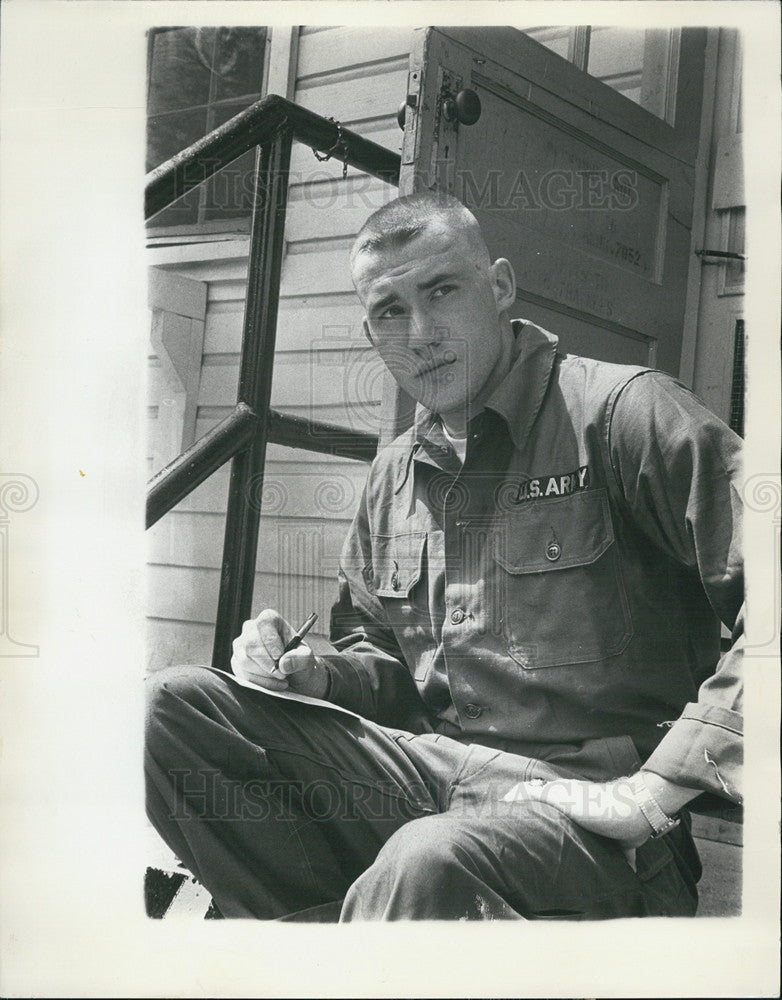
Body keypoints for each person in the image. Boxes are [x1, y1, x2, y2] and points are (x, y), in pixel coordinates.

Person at [145, 191, 743, 920]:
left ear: (499, 287)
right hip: (432, 776)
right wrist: (316, 676)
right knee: (170, 710)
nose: (420, 333)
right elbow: (391, 669)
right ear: (371, 333)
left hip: (595, 815)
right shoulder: (395, 473)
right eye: (391, 311)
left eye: (442, 291)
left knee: (426, 861)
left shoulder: (624, 414)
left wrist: (654, 794)